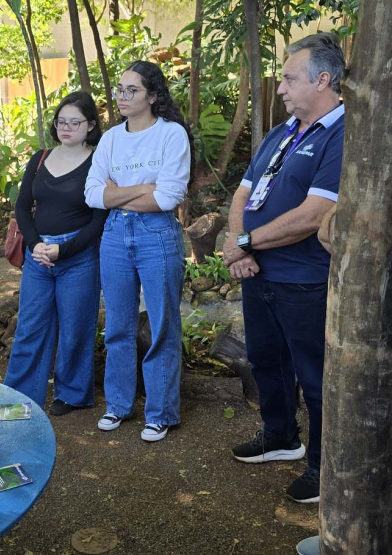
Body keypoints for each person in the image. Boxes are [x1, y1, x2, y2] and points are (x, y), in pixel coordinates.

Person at [224, 32, 345, 504]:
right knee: (266, 361)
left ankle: (323, 467)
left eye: (290, 79)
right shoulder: (283, 131)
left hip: (304, 279)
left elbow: (314, 215)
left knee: (315, 376)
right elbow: (242, 193)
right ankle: (280, 436)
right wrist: (242, 250)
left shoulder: (342, 133)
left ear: (323, 80)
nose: (280, 88)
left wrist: (243, 243)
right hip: (259, 273)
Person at [84, 61, 192, 442]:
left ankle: (160, 413)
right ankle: (118, 404)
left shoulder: (171, 135)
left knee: (162, 324)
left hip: (157, 234)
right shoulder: (111, 138)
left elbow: (168, 197)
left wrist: (117, 193)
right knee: (118, 325)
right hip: (114, 234)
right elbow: (92, 194)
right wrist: (144, 188)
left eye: (132, 90)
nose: (122, 96)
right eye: (120, 89)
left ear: (153, 95)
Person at [4, 91, 107, 415]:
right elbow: (23, 207)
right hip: (38, 257)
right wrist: (35, 244)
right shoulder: (40, 158)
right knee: (29, 328)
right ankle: (19, 396)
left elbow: (99, 218)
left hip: (78, 258)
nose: (66, 128)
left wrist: (64, 250)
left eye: (74, 122)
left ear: (90, 125)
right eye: (62, 121)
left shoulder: (98, 161)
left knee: (76, 329)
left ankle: (71, 395)